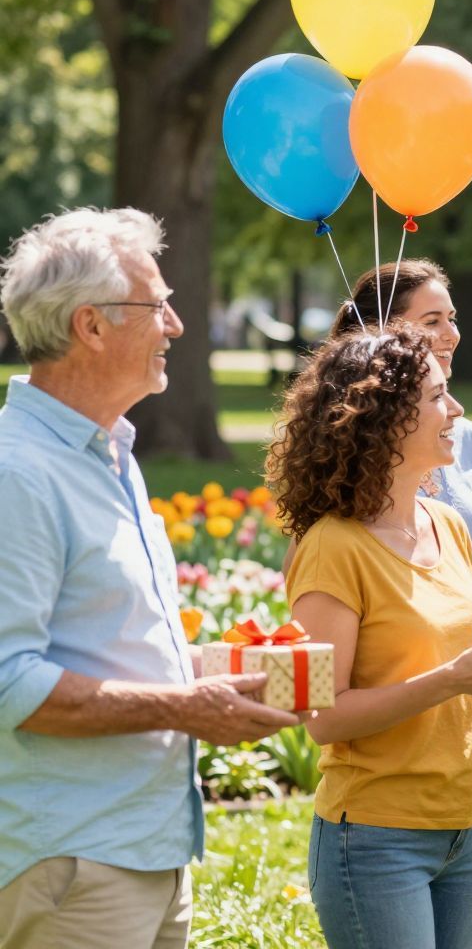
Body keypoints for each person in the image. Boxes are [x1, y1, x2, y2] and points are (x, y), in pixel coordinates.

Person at [0, 208, 298, 948]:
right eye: (156, 304)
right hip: (74, 861)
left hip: (148, 852)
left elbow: (110, 645)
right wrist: (186, 707)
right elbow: (10, 683)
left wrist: (238, 677)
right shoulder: (18, 474)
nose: (176, 324)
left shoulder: (109, 453)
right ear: (91, 326)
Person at [268, 325, 472, 949]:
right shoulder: (331, 549)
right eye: (437, 397)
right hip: (375, 837)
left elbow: (446, 659)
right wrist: (453, 679)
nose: (455, 411)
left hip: (469, 825)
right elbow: (322, 716)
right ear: (384, 417)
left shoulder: (447, 525)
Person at [324, 259, 472, 599]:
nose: (452, 334)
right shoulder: (350, 442)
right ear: (385, 334)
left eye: (452, 318)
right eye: (432, 321)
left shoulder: (468, 438)